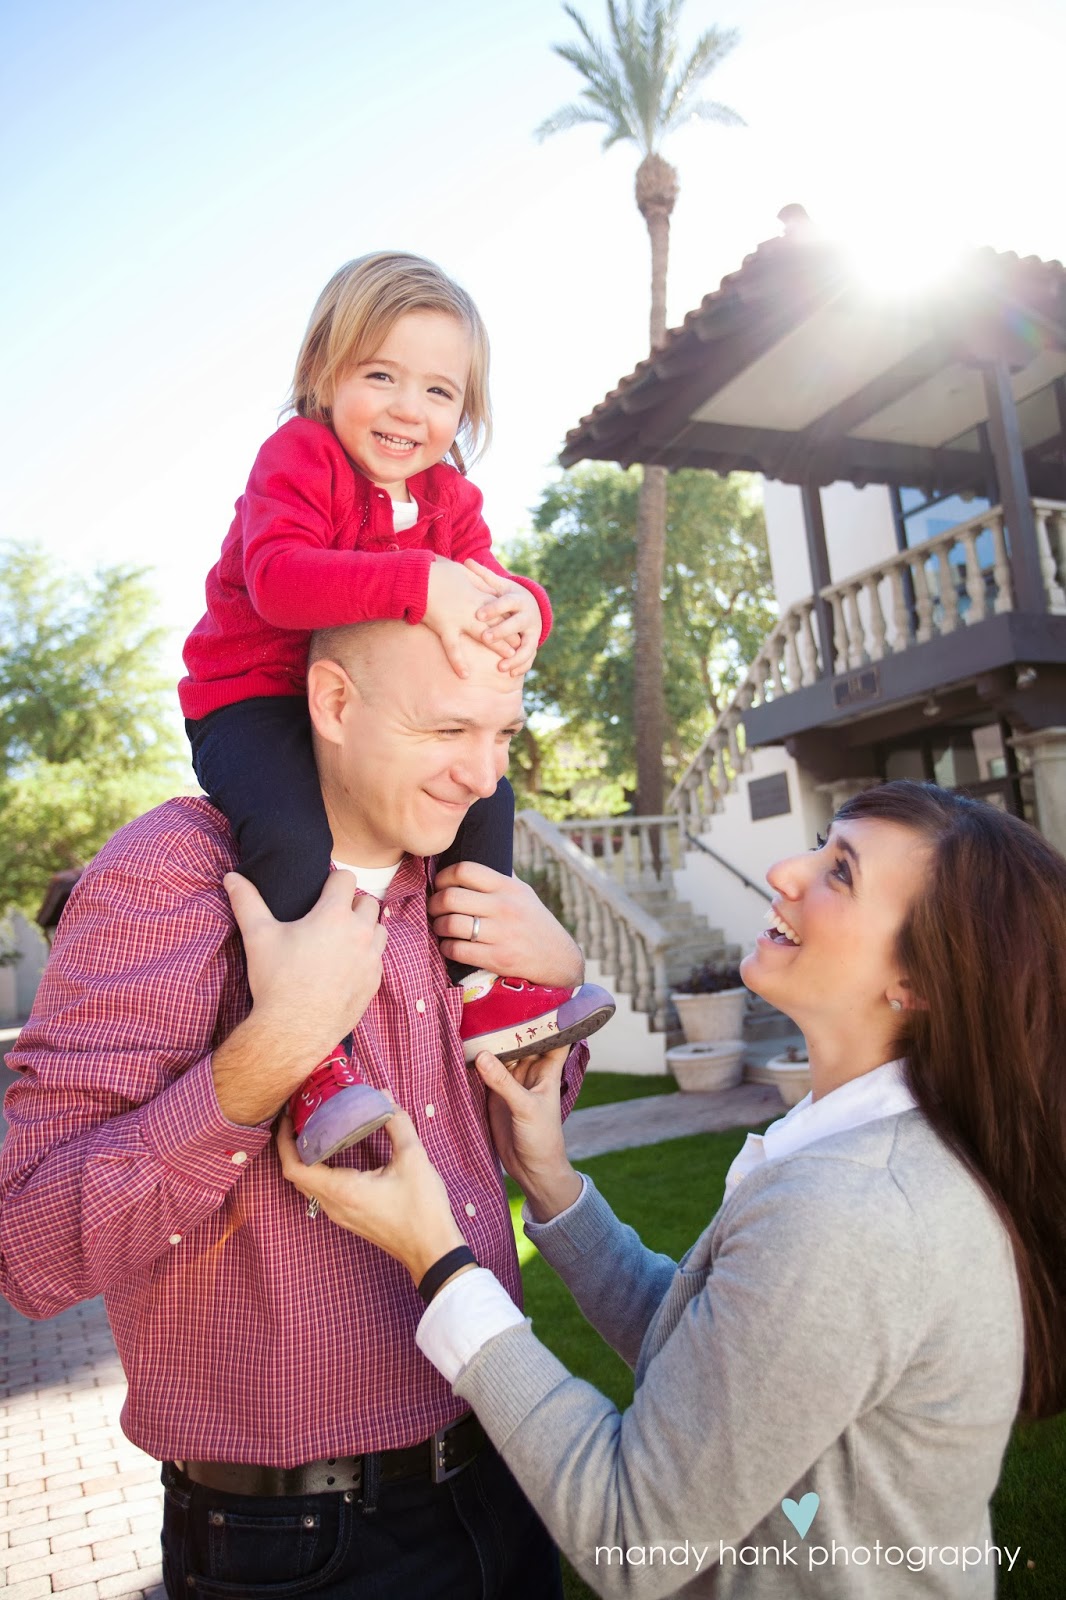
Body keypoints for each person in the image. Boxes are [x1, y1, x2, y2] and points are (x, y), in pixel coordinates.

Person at [276, 781, 1066, 1599]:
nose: (787, 871)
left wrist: (436, 1259)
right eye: (821, 842)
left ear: (917, 982)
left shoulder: (855, 1213)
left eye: (841, 872)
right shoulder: (868, 1156)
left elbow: (633, 1532)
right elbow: (720, 1362)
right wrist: (550, 1180)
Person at [0, 621, 597, 1600]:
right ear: (332, 702)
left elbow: (505, 1127)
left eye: (502, 735)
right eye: (449, 728)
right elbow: (29, 1250)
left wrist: (557, 987)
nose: (483, 775)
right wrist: (276, 1048)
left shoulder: (446, 877)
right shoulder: (172, 872)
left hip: (506, 1463)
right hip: (298, 1542)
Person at [180, 250, 611, 1164]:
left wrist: (522, 610)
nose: (411, 410)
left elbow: (492, 581)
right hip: (253, 701)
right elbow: (281, 582)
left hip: (366, 715)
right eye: (381, 376)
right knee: (296, 840)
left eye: (441, 392)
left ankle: (484, 986)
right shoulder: (297, 458)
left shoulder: (448, 496)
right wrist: (425, 586)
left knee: (485, 791)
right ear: (324, 375)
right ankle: (316, 1060)